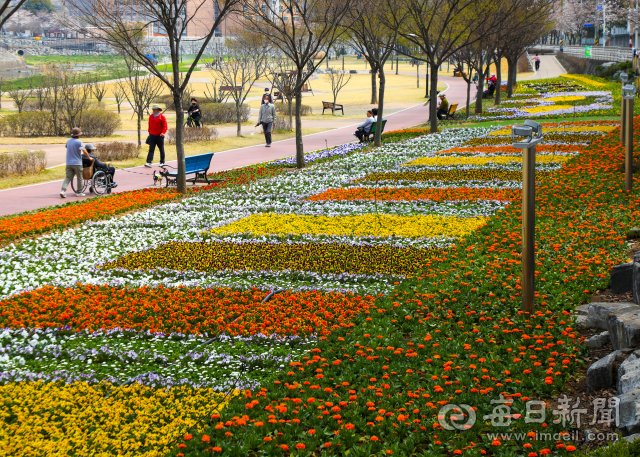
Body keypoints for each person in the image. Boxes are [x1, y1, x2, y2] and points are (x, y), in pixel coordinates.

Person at [60, 127, 93, 198]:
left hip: (69, 163)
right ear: (78, 135)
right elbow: (84, 151)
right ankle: (79, 192)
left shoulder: (68, 141)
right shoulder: (79, 142)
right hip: (77, 163)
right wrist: (89, 157)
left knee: (68, 177)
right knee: (80, 178)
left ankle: (63, 191)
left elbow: (67, 147)